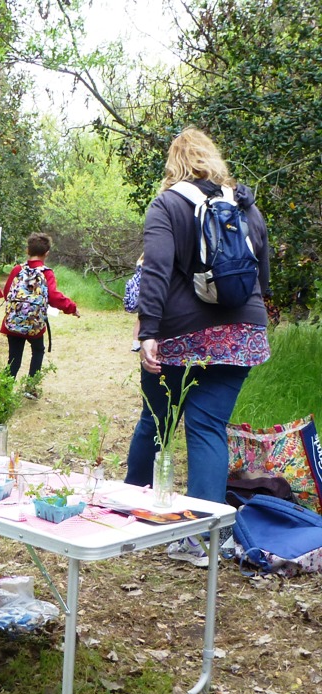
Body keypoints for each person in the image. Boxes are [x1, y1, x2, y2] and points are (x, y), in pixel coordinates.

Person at [124, 127, 271, 566]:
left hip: (182, 333)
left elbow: (156, 271)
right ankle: (204, 540)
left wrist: (148, 329)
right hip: (243, 333)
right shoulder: (247, 206)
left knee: (157, 420)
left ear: (174, 165)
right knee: (207, 427)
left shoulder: (167, 204)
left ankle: (130, 507)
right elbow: (261, 278)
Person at [0, 232, 79, 397]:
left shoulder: (17, 269)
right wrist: (71, 308)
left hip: (14, 323)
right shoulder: (46, 273)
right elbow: (54, 297)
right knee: (38, 350)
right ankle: (31, 388)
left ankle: (4, 393)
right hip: (35, 324)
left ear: (27, 250)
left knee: (14, 357)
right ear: (47, 253)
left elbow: (7, 292)